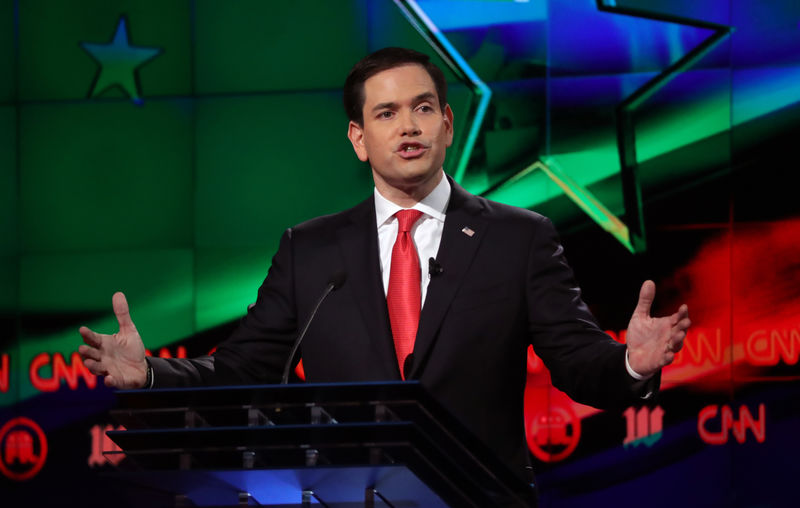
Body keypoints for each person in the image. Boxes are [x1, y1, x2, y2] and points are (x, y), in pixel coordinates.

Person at [79, 47, 690, 492]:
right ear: (358, 138)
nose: (408, 126)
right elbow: (245, 371)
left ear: (447, 125)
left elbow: (580, 366)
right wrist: (152, 375)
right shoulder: (310, 250)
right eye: (387, 113)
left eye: (423, 108)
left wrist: (631, 361)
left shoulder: (517, 238)